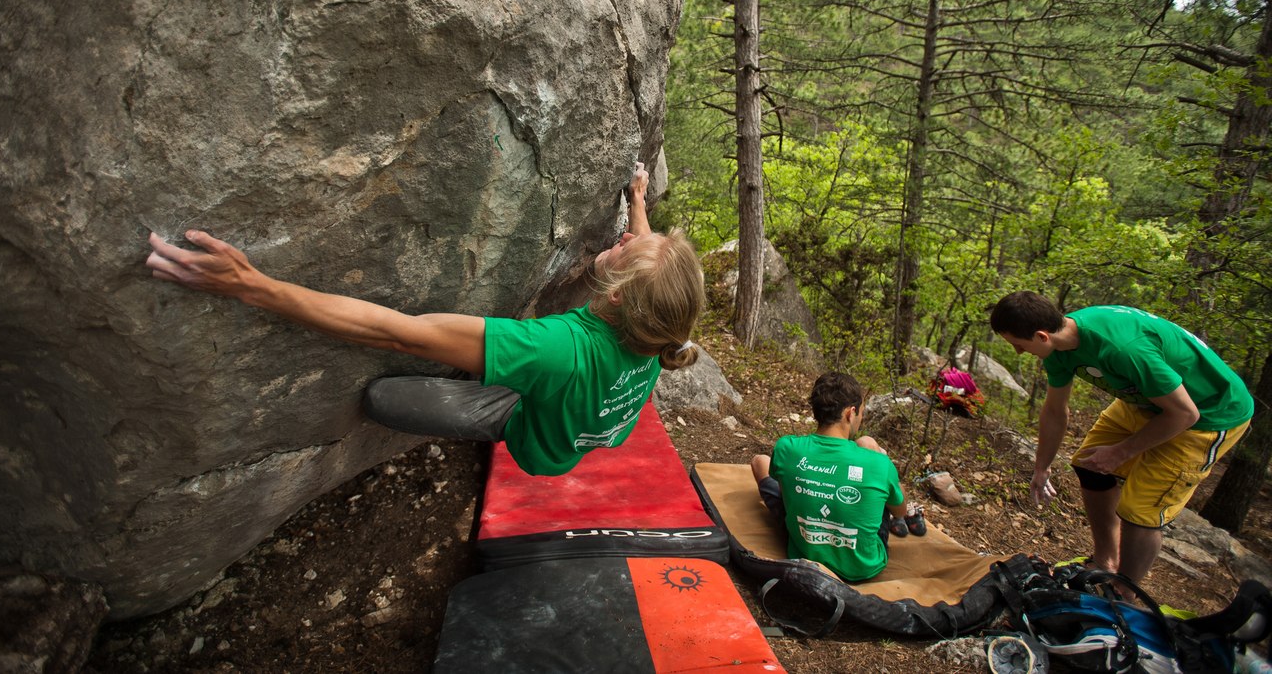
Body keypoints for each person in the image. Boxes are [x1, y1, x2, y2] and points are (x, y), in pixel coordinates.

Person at [145, 164, 706, 476]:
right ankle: (526, 390)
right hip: (589, 424)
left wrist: (252, 285)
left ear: (614, 298)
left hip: (539, 445)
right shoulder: (665, 327)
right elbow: (648, 255)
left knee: (384, 400)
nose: (632, 236)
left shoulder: (556, 348)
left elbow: (393, 330)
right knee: (548, 376)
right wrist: (637, 199)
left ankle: (506, 403)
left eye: (630, 246)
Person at [990, 291, 1253, 586]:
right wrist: (1042, 467)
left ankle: (1125, 592)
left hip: (1207, 414)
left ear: (1041, 336)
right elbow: (1054, 411)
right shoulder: (1059, 348)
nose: (1018, 352)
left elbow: (1184, 414)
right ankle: (1105, 561)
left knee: (1140, 511)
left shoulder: (1121, 349)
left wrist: (1121, 452)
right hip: (1147, 399)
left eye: (1018, 345)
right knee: (1090, 466)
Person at [750, 372, 924, 583]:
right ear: (850, 413)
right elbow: (900, 511)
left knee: (760, 461)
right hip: (863, 566)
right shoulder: (878, 463)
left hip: (805, 552)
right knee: (869, 447)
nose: (860, 419)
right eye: (861, 413)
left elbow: (780, 482)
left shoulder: (787, 447)